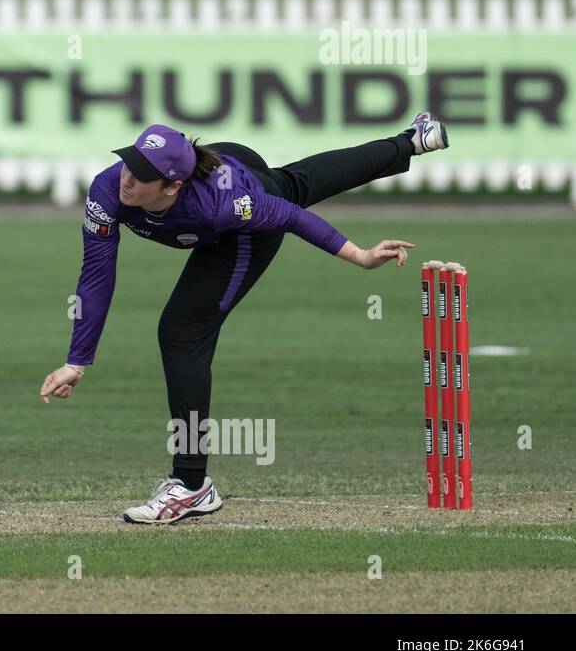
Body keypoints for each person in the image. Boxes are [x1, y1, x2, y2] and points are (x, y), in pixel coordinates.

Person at [38, 113, 449, 524]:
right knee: (299, 181)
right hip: (235, 164)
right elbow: (97, 272)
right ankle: (412, 140)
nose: (127, 179)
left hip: (243, 223)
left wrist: (359, 256)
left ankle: (191, 485)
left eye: (142, 176)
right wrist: (78, 359)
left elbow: (290, 217)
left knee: (181, 333)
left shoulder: (221, 206)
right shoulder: (107, 189)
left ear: (172, 186)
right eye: (129, 163)